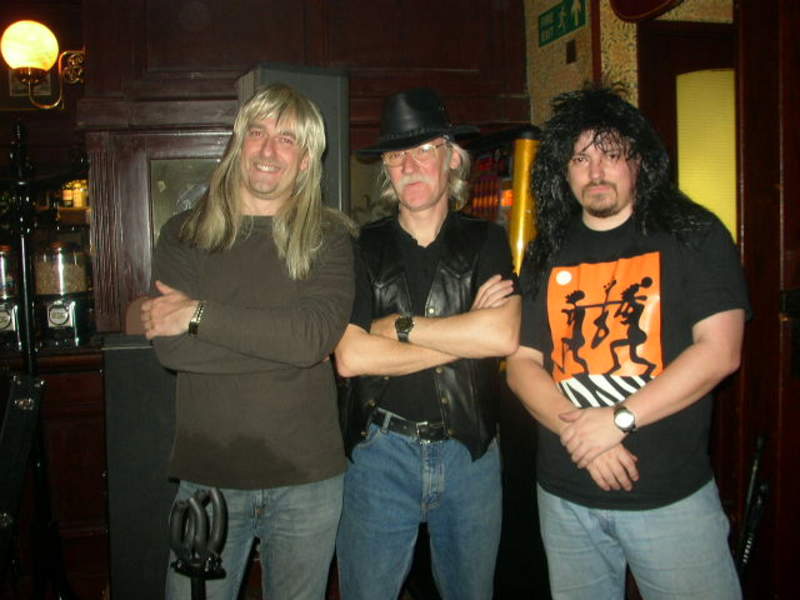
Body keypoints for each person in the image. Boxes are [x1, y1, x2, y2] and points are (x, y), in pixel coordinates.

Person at [506, 85, 748, 599]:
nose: (595, 171)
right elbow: (522, 363)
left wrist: (617, 420)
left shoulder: (694, 233)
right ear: (564, 171)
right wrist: (583, 435)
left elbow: (720, 351)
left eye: (610, 154)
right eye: (580, 158)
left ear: (638, 159)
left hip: (668, 495)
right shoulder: (547, 251)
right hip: (565, 495)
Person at [140, 83, 355, 600]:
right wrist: (282, 342)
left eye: (287, 139)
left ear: (306, 161)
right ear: (239, 143)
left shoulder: (329, 237)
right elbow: (173, 349)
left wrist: (197, 314)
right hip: (208, 478)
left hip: (307, 481)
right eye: (257, 132)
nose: (267, 150)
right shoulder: (184, 234)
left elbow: (309, 340)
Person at [333, 87, 521, 600]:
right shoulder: (361, 246)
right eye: (397, 156)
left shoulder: (487, 240)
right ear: (386, 170)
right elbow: (350, 357)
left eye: (423, 150)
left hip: (469, 455)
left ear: (451, 158)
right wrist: (468, 332)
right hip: (380, 454)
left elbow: (503, 335)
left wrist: (398, 326)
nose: (410, 166)